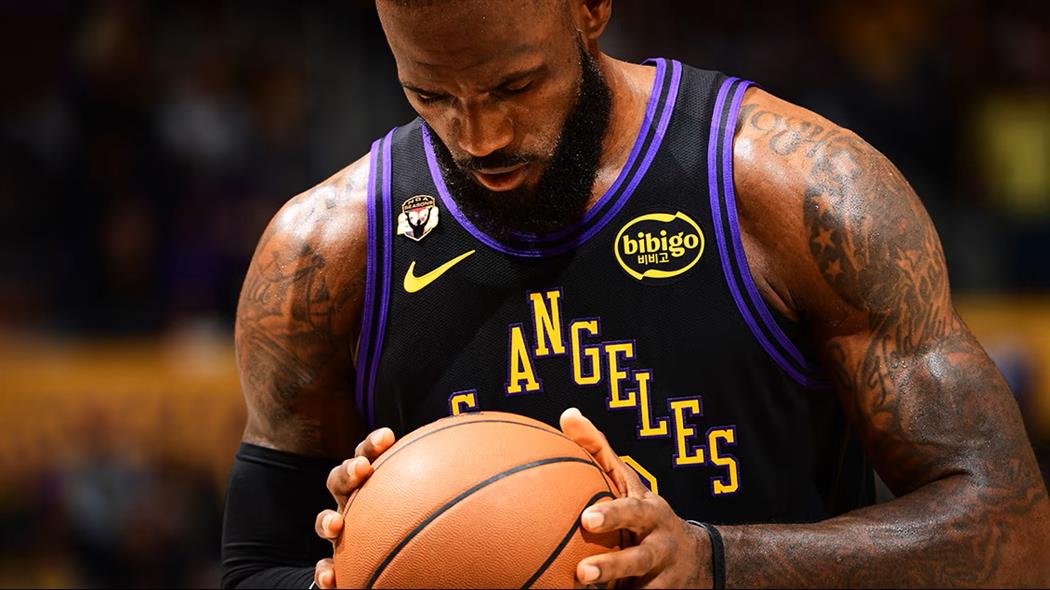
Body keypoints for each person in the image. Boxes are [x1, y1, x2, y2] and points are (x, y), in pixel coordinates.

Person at [221, 1, 1050, 588]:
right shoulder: (324, 253)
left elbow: (1010, 534)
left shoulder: (798, 190)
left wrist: (714, 563)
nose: (480, 137)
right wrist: (359, 564)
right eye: (430, 94)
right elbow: (256, 570)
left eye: (515, 87)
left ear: (590, 9)